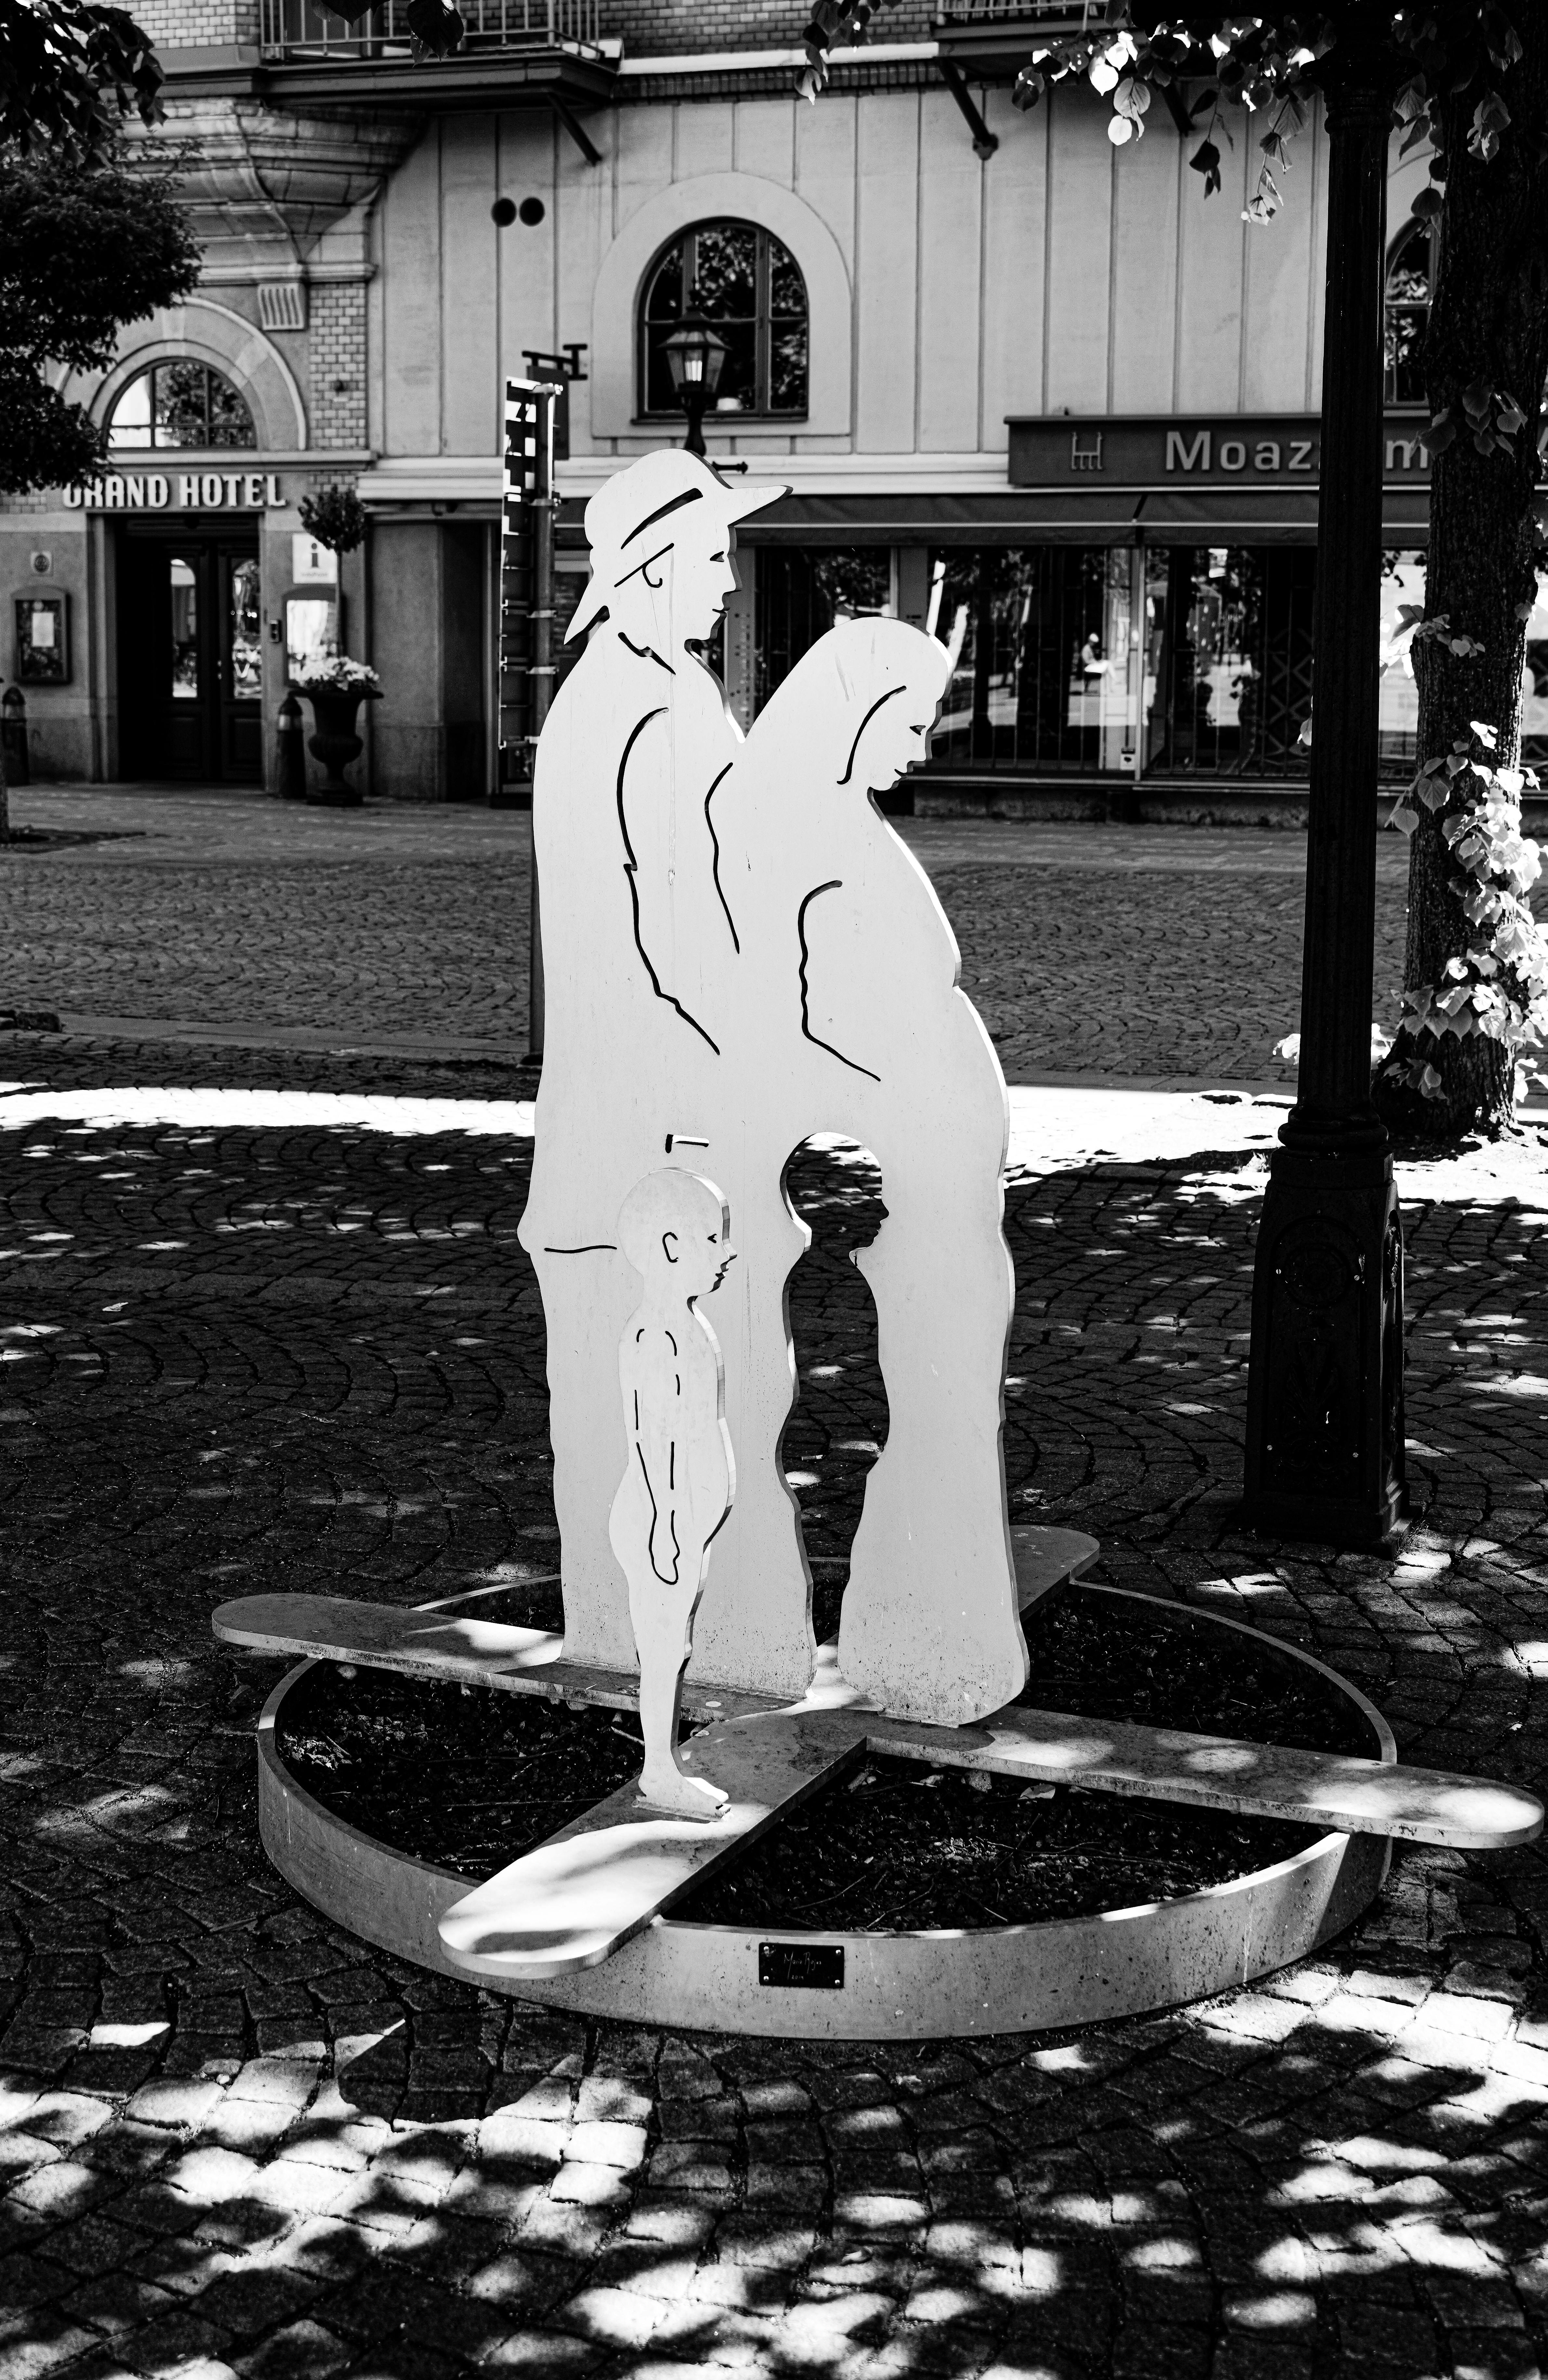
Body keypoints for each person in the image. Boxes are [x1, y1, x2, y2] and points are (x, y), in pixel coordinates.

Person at [704, 615, 1027, 1725]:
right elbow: (774, 1010)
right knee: (881, 1382)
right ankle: (874, 1627)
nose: (919, 747)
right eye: (906, 720)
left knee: (947, 1390)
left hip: (932, 1182)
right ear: (849, 713)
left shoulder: (827, 820)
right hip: (904, 1169)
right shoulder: (789, 831)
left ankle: (928, 1618)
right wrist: (877, 1082)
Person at [517, 450, 795, 1688]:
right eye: (711, 559)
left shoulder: (654, 691)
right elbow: (645, 944)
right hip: (642, 1151)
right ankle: (657, 1685)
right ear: (646, 569)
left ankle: (686, 1662)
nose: (728, 583)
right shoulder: (630, 709)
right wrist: (725, 1081)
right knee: (642, 1443)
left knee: (689, 1432)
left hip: (661, 1139)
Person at [609, 1169, 736, 1820]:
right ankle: (660, 1771)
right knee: (662, 1648)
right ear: (668, 1246)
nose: (727, 1253)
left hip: (682, 1519)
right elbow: (648, 1436)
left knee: (672, 1644)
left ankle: (664, 1766)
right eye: (713, 1239)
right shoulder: (653, 1335)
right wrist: (665, 1524)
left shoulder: (683, 1327)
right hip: (663, 1521)